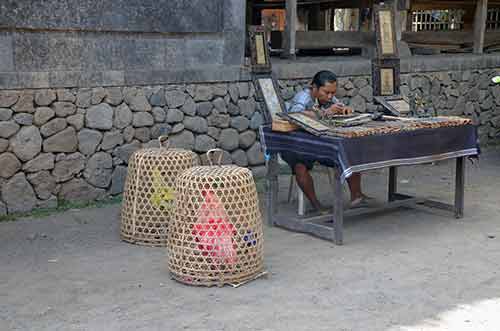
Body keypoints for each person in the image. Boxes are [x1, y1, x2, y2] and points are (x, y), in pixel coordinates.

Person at [282, 70, 372, 211]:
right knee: (300, 166)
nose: (330, 96)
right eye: (326, 92)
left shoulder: (328, 97)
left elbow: (338, 106)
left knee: (349, 153)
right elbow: (295, 116)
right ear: (315, 88)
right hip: (296, 143)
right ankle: (316, 205)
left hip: (320, 142)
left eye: (333, 93)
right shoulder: (303, 97)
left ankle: (357, 196)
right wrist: (325, 112)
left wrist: (345, 109)